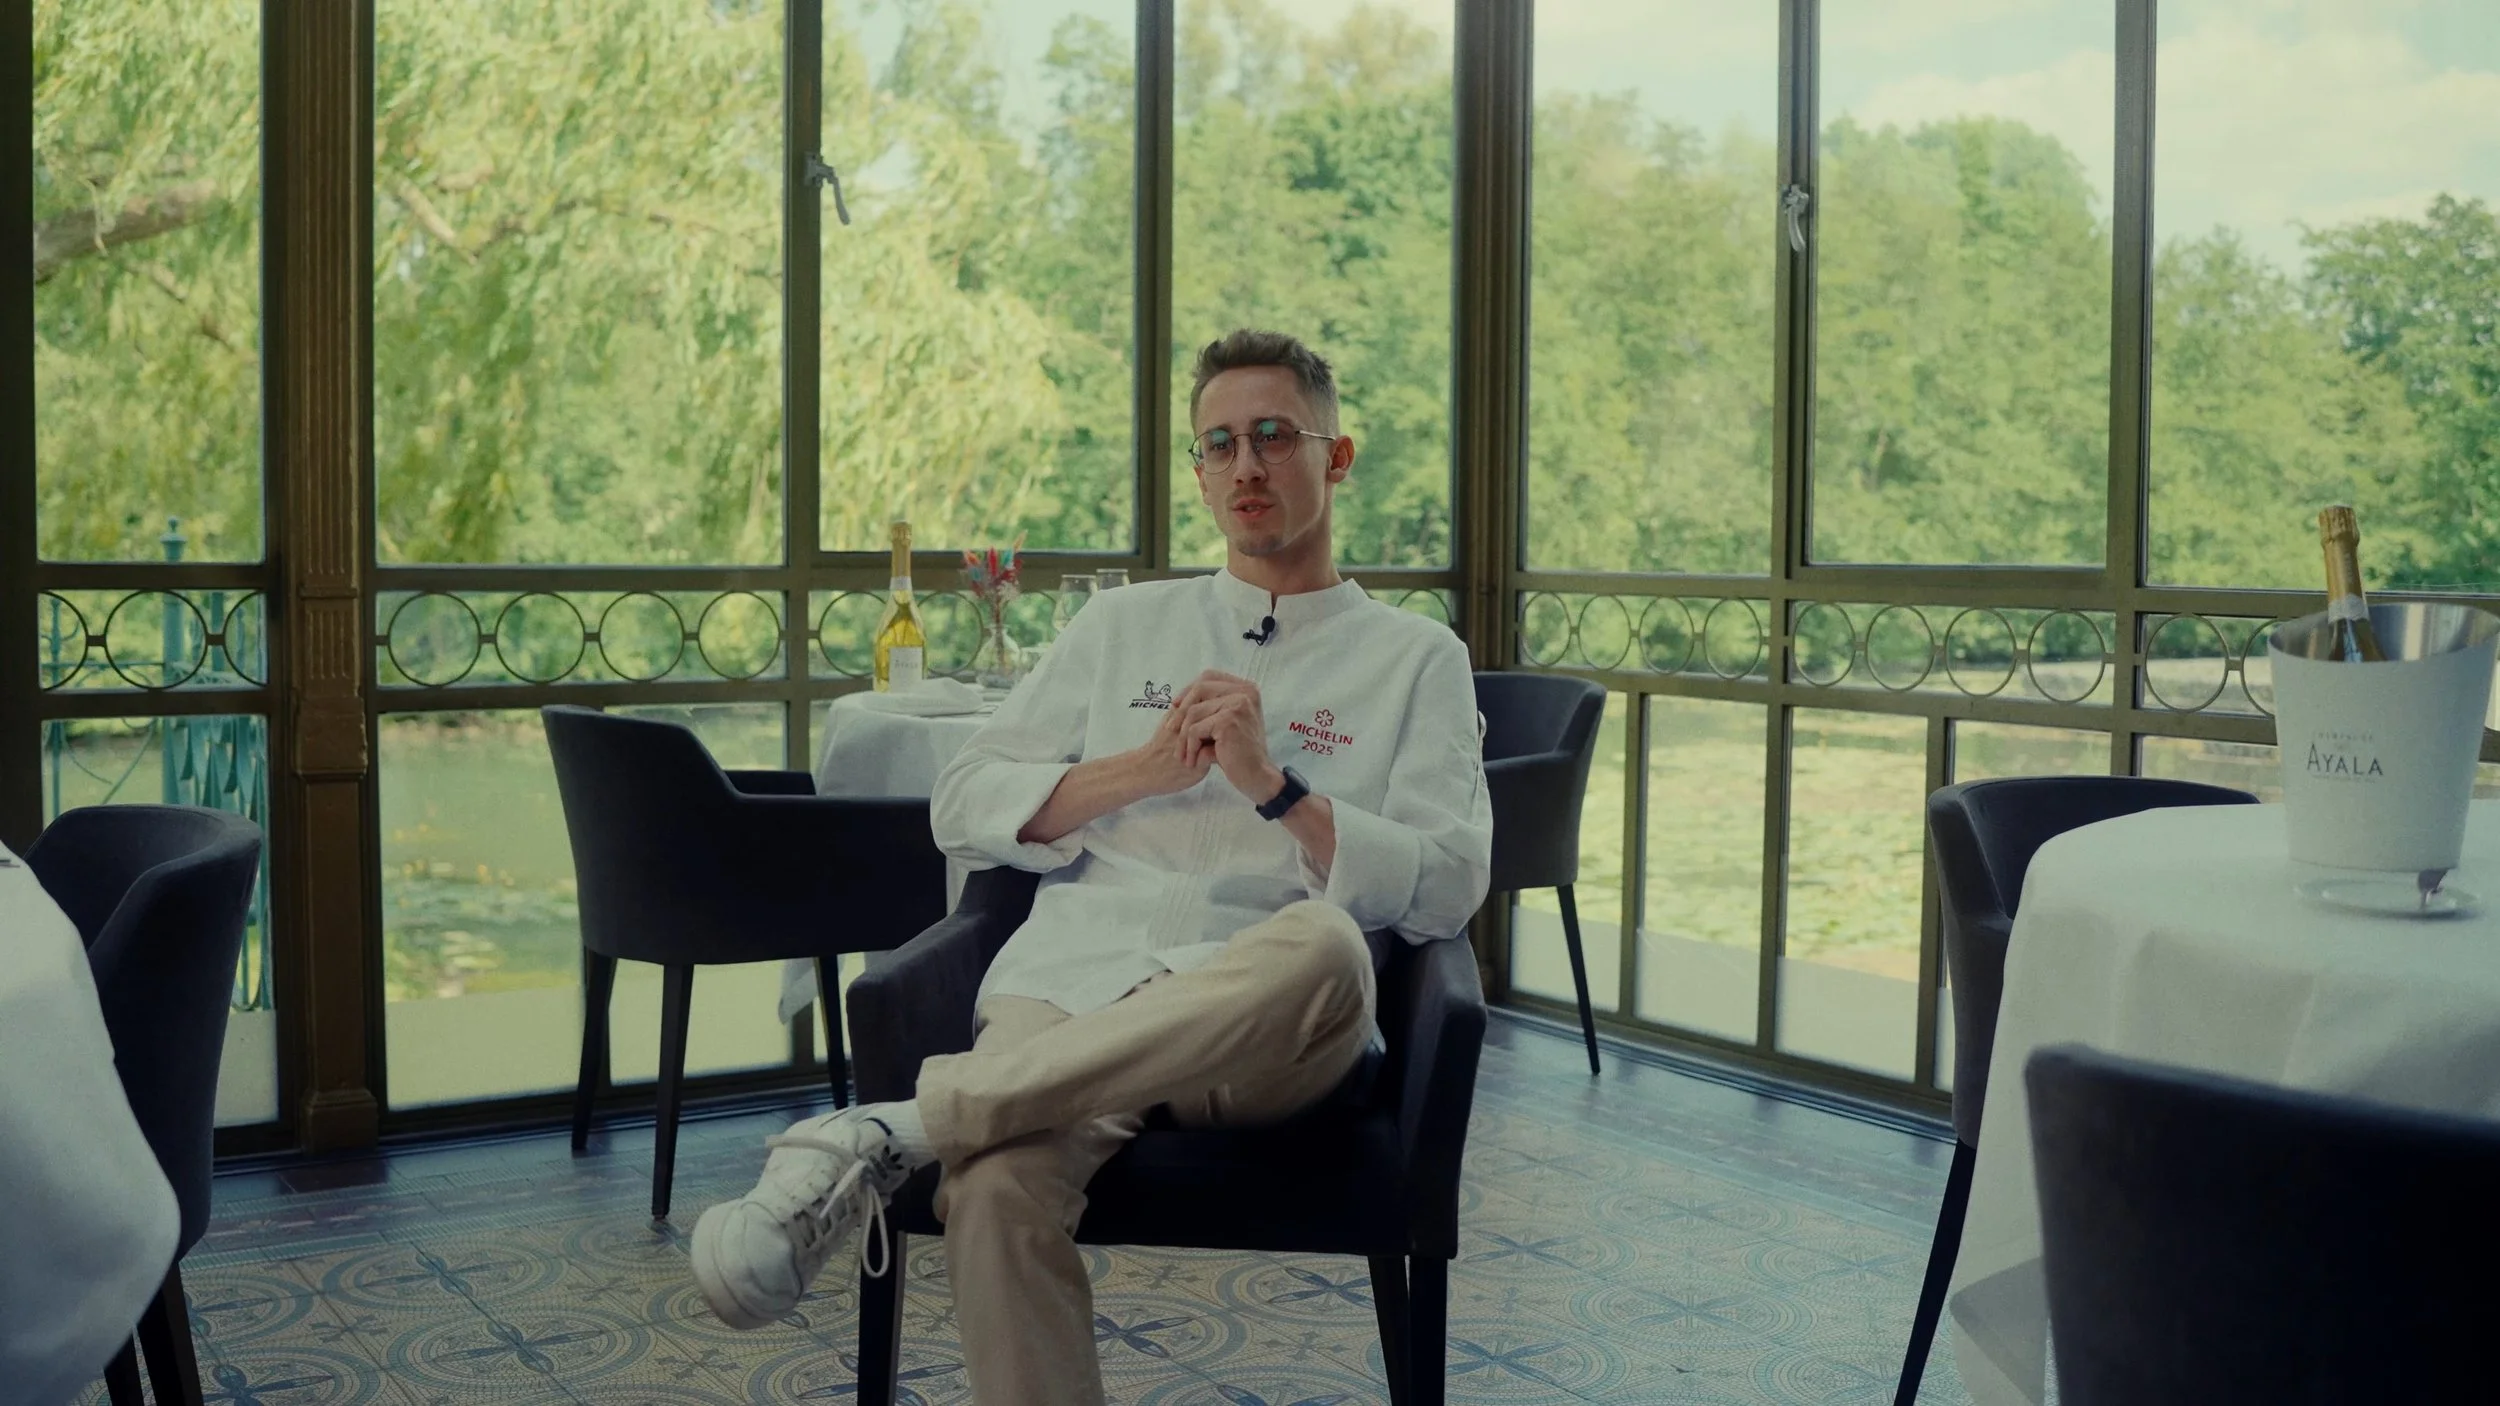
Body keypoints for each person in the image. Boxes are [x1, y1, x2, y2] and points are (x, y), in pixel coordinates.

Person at [690, 328, 1492, 1405]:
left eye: (1274, 435)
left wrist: (1277, 790)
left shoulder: (1417, 658)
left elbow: (1450, 882)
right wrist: (1138, 771)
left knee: (1326, 944)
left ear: (1335, 456)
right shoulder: (1122, 624)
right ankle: (942, 1128)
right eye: (1219, 444)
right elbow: (963, 799)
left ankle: (901, 1125)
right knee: (992, 1188)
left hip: (1263, 1031)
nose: (1246, 465)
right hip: (1069, 986)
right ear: (1198, 470)